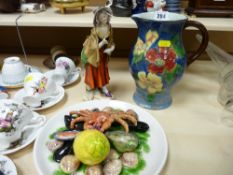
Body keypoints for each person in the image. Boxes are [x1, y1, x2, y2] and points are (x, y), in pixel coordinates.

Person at [81, 7, 115, 100]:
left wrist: (111, 48)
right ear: (98, 19)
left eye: (106, 16)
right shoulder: (95, 31)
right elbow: (91, 46)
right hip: (94, 55)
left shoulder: (110, 27)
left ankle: (102, 86)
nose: (105, 18)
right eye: (103, 17)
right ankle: (92, 88)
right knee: (94, 71)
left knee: (102, 71)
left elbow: (111, 41)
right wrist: (102, 43)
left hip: (103, 54)